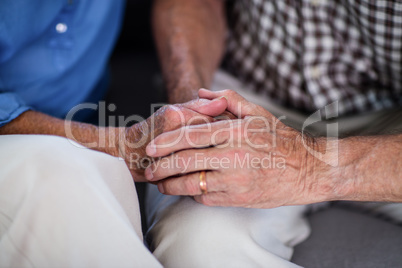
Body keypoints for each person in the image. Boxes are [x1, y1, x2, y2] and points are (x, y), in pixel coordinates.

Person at [145, 0, 402, 267]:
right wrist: (193, 104)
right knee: (197, 248)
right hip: (239, 102)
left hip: (392, 121)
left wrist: (307, 167)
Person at [0, 0, 229, 266]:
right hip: (25, 139)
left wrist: (192, 106)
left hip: (88, 112)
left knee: (200, 239)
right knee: (58, 184)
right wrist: (119, 146)